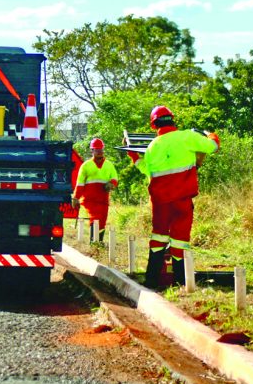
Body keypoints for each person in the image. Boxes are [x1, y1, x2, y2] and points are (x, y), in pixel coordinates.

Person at [128, 106, 219, 288]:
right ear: (172, 119)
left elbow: (149, 172)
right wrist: (212, 136)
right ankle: (180, 282)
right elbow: (212, 147)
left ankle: (152, 279)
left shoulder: (152, 147)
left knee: (158, 237)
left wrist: (135, 159)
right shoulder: (186, 137)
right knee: (180, 240)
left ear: (154, 125)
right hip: (182, 200)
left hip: (160, 202)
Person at [73, 138, 118, 242]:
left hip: (103, 200)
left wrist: (111, 184)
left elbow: (115, 178)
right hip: (89, 200)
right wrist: (75, 198)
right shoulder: (86, 166)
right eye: (96, 150)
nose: (99, 152)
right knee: (95, 218)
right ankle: (93, 242)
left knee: (102, 221)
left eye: (101, 150)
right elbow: (80, 184)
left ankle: (99, 243)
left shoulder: (109, 165)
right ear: (92, 151)